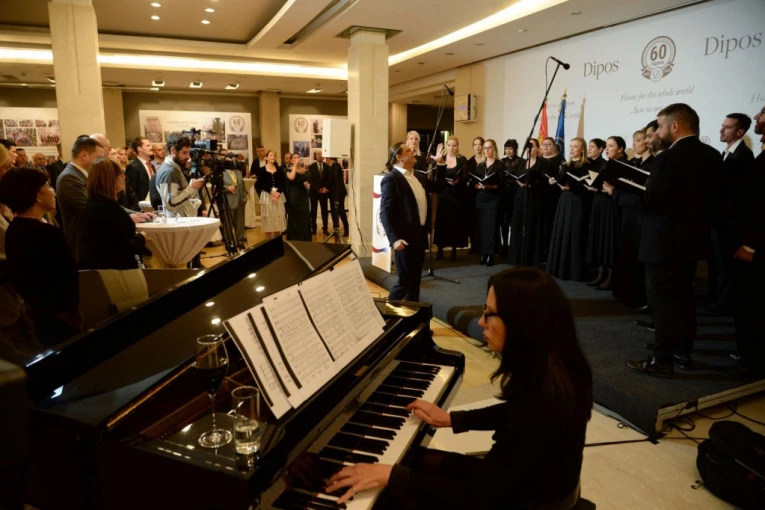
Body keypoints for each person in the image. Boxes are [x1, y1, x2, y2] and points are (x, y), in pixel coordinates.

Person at [326, 267, 593, 509]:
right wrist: (453, 419)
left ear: (521, 323)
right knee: (415, 461)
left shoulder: (540, 404)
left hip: (528, 501)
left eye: (489, 314)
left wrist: (390, 475)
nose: (481, 321)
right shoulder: (563, 369)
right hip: (538, 486)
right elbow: (514, 414)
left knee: (394, 493)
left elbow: (474, 498)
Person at [626, 103, 722, 378]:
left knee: (664, 302)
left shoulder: (667, 158)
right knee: (685, 298)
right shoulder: (712, 155)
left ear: (675, 126)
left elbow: (654, 202)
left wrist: (627, 192)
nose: (657, 131)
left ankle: (662, 362)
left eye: (660, 126)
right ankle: (682, 352)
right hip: (692, 241)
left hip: (662, 243)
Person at [0, 167, 81, 343]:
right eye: (48, 186)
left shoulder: (15, 228)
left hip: (38, 313)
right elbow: (66, 277)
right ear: (37, 195)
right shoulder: (45, 233)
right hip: (59, 316)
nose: (53, 192)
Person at [727, 105, 765, 377]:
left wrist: (752, 245)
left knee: (753, 306)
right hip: (747, 241)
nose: (756, 117)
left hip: (755, 247)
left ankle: (753, 362)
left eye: (762, 113)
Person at [707, 113, 754, 316]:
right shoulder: (727, 153)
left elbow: (737, 195)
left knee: (726, 265)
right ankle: (718, 299)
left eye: (727, 127)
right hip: (718, 221)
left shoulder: (743, 156)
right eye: (722, 125)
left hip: (728, 223)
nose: (721, 129)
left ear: (740, 132)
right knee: (718, 264)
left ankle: (724, 304)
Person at [604, 130, 655, 309]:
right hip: (628, 214)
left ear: (648, 142)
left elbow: (644, 195)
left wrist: (614, 192)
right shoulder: (634, 163)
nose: (634, 143)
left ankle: (639, 297)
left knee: (637, 257)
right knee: (627, 254)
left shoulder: (653, 164)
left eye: (638, 140)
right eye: (633, 140)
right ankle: (625, 293)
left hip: (640, 215)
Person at [380, 142, 430, 302]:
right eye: (408, 150)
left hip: (419, 235)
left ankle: (413, 315)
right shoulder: (391, 179)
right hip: (404, 239)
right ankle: (386, 314)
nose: (413, 151)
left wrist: (441, 165)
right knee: (405, 282)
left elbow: (437, 187)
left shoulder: (418, 176)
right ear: (399, 157)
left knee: (415, 281)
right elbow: (385, 212)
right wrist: (394, 239)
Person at [85, 159, 148, 270]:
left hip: (103, 266)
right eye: (120, 175)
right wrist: (141, 237)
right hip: (118, 269)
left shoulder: (93, 202)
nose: (124, 177)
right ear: (109, 178)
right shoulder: (108, 206)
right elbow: (121, 247)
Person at [547, 138, 591, 281]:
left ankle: (573, 270)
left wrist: (571, 187)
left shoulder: (586, 166)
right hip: (564, 199)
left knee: (574, 233)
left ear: (582, 150)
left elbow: (586, 186)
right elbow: (561, 179)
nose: (571, 149)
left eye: (575, 147)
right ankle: (559, 267)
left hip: (577, 201)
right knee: (562, 231)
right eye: (570, 146)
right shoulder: (566, 165)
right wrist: (553, 181)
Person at [585, 137, 625, 291]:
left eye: (611, 146)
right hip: (600, 202)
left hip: (611, 205)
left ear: (620, 149)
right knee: (600, 238)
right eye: (606, 146)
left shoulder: (624, 164)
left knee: (609, 240)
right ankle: (601, 274)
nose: (607, 149)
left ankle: (611, 276)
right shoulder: (607, 163)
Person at [56, 136, 103, 265]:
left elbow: (102, 202)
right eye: (99, 158)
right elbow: (91, 209)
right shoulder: (69, 177)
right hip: (83, 246)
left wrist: (130, 214)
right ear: (84, 155)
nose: (101, 162)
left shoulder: (81, 175)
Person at [509, 139, 546, 267]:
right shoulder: (522, 163)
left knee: (530, 226)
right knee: (517, 225)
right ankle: (516, 257)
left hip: (533, 197)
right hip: (520, 196)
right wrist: (518, 182)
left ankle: (530, 258)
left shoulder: (541, 163)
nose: (529, 149)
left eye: (532, 146)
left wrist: (531, 185)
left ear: (537, 148)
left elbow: (544, 182)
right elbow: (515, 176)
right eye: (527, 146)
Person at [433, 136, 468, 260]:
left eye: (454, 145)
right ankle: (440, 249)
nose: (451, 148)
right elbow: (436, 176)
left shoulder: (462, 159)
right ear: (446, 146)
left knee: (454, 222)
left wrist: (459, 181)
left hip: (457, 194)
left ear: (457, 147)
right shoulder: (441, 159)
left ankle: (454, 249)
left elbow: (465, 176)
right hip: (444, 194)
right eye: (449, 145)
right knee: (442, 222)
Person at [156, 133, 205, 218]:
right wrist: (191, 188)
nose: (188, 157)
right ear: (173, 151)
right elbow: (170, 204)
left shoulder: (173, 168)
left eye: (189, 152)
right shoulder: (169, 172)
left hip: (180, 221)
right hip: (176, 223)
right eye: (184, 153)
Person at [470, 139, 503, 266]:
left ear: (494, 149)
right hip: (481, 198)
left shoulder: (499, 165)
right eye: (485, 148)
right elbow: (474, 183)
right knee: (482, 227)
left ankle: (490, 255)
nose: (487, 150)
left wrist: (490, 186)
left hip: (493, 198)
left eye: (489, 148)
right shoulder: (480, 165)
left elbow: (502, 184)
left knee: (491, 227)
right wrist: (477, 186)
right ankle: (483, 253)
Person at [539, 137, 566, 260]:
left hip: (555, 195)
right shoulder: (539, 160)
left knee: (552, 222)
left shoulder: (560, 159)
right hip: (541, 195)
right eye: (543, 144)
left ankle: (552, 250)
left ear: (554, 146)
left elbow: (564, 175)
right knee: (542, 223)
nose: (545, 147)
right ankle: (542, 249)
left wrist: (556, 180)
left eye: (549, 144)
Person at [499, 139, 524, 256]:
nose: (508, 151)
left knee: (514, 221)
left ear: (515, 149)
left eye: (510, 148)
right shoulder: (502, 161)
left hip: (515, 193)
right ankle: (504, 245)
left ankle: (515, 246)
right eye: (506, 148)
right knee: (504, 221)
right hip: (504, 194)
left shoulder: (521, 161)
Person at [255, 150, 287, 238]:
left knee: (278, 217)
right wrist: (271, 191)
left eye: (274, 156)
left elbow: (283, 183)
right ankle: (269, 240)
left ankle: (277, 239)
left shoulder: (279, 170)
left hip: (278, 196)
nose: (273, 157)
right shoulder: (261, 170)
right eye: (271, 155)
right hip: (267, 196)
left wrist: (278, 193)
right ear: (266, 157)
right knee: (268, 217)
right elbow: (259, 184)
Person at [464, 137, 485, 254]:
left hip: (485, 193)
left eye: (479, 144)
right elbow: (466, 178)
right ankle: (473, 245)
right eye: (475, 145)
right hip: (472, 194)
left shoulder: (487, 160)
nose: (477, 147)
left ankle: (483, 245)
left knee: (483, 221)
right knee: (472, 220)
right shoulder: (469, 162)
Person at [222, 156, 248, 248]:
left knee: (240, 223)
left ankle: (239, 241)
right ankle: (228, 242)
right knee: (228, 224)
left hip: (240, 201)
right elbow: (218, 188)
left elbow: (242, 185)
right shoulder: (222, 173)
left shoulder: (238, 172)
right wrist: (227, 188)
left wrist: (244, 197)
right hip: (229, 201)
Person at [285, 153, 312, 241]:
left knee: (304, 218)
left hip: (303, 196)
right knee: (295, 218)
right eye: (294, 158)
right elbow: (292, 177)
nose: (296, 159)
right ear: (291, 160)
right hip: (294, 197)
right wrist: (295, 166)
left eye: (298, 157)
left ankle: (304, 238)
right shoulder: (288, 170)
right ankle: (294, 239)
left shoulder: (304, 170)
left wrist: (308, 184)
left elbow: (308, 181)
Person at [307, 153, 331, 236]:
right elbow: (310, 179)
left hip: (324, 192)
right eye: (318, 155)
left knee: (324, 211)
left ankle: (325, 228)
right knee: (313, 211)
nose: (320, 156)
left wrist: (324, 188)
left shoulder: (327, 166)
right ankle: (313, 229)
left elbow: (329, 179)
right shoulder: (311, 166)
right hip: (314, 192)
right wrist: (318, 189)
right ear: (316, 156)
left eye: (321, 155)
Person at [126, 137, 155, 201]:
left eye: (150, 145)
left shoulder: (151, 165)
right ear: (139, 148)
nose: (151, 148)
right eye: (148, 146)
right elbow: (132, 191)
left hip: (153, 202)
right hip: (142, 204)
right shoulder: (133, 167)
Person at [326, 157, 349, 237]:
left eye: (326, 159)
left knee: (340, 211)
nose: (326, 161)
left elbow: (333, 179)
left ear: (329, 159)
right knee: (334, 211)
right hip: (333, 193)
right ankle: (336, 229)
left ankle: (346, 229)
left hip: (338, 193)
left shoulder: (336, 165)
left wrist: (325, 187)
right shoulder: (331, 166)